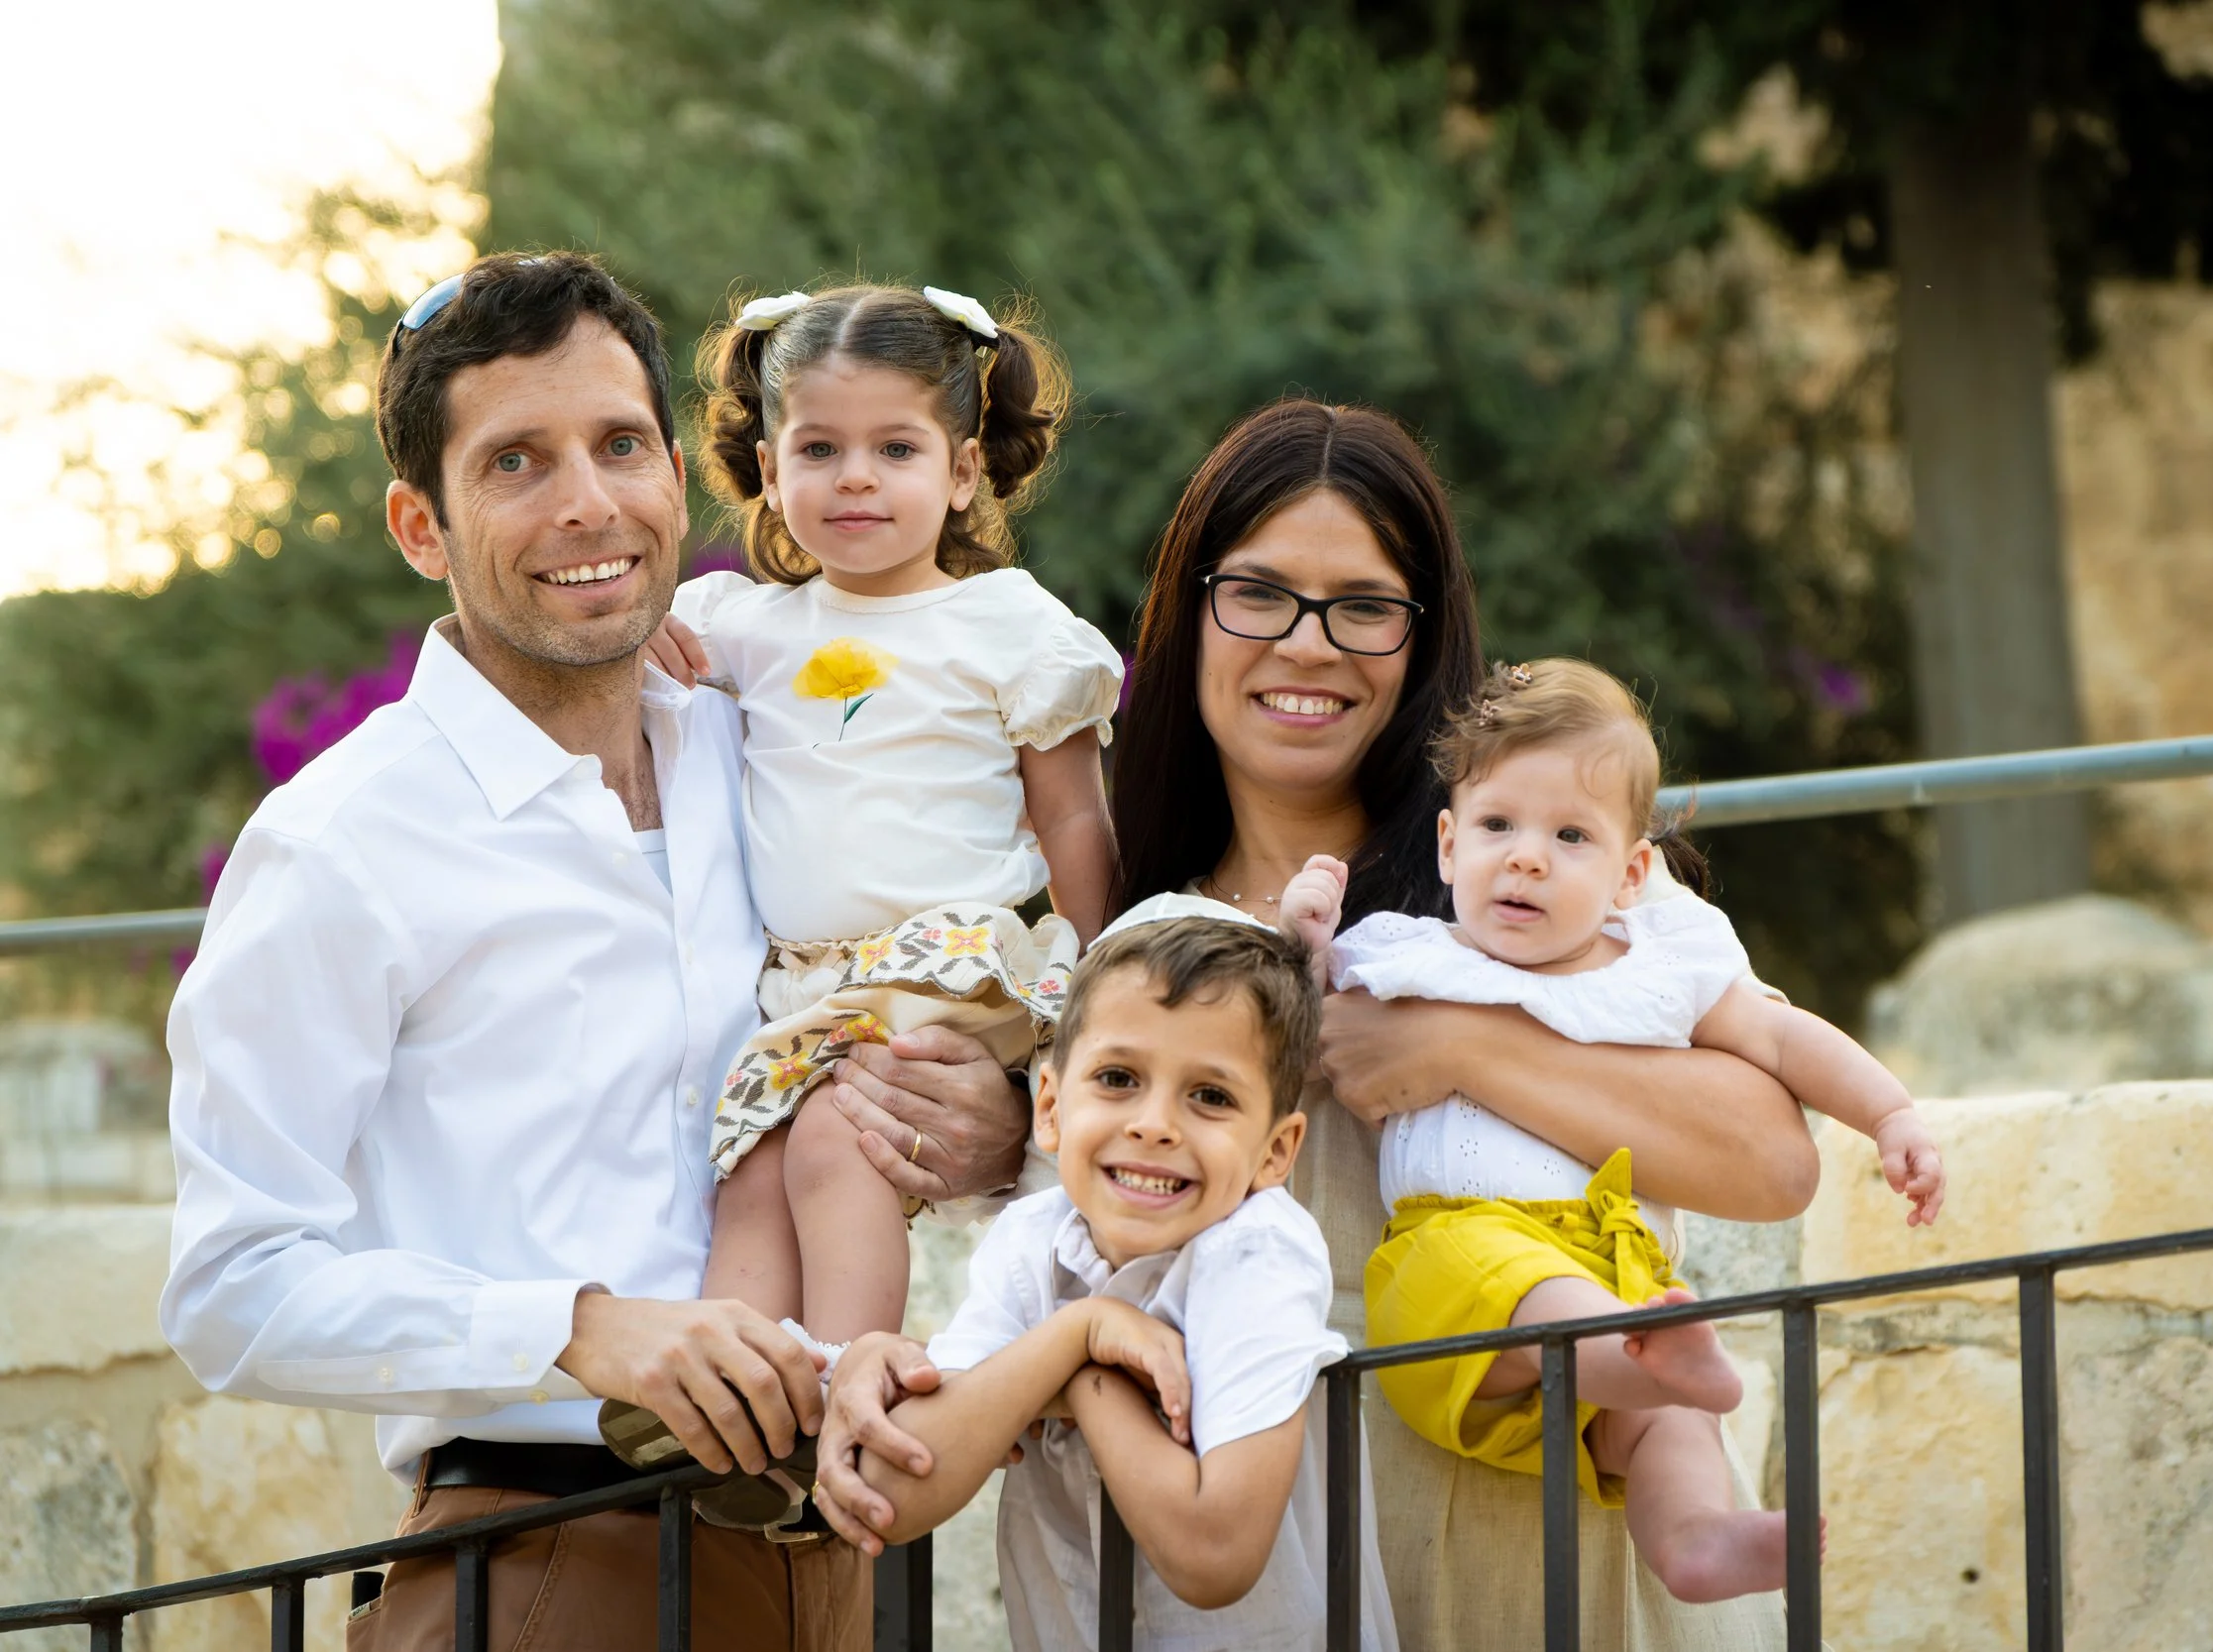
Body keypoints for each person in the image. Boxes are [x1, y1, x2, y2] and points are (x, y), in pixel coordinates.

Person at [817, 398, 1819, 1651]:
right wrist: (1012, 1130)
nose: (1308, 644)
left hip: (1512, 1546)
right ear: (1189, 615)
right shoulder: (1123, 930)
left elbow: (1771, 1160)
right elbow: (1062, 1245)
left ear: (1423, 635)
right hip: (1233, 1580)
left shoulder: (1546, 879)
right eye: (1258, 594)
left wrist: (1460, 1046)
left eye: (1363, 606)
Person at [157, 252, 872, 1650]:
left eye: (619, 445)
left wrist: (970, 1117)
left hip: (826, 1551)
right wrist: (581, 1326)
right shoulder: (338, 840)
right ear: (420, 526)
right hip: (543, 1560)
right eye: (515, 462)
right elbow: (228, 1288)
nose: (587, 503)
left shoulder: (761, 752)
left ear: (677, 472)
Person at [1282, 658, 1944, 1603]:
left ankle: (1696, 1537)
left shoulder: (1658, 968)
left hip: (1617, 1263)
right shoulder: (1406, 954)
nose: (1527, 857)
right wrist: (1306, 939)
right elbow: (1300, 1035)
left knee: (1671, 1425)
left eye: (1570, 836)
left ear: (1631, 872)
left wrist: (1888, 1112)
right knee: (1527, 1285)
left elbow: (1780, 1036)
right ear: (1448, 845)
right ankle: (1631, 1352)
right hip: (1451, 1261)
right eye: (1498, 825)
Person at [615, 283, 1118, 1499]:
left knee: (842, 1142)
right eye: (818, 450)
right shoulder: (740, 626)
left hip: (951, 962)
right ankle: (736, 1401)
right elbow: (621, 648)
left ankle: (851, 1385)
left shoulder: (1005, 623)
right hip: (812, 986)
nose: (854, 478)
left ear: (961, 471)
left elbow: (1071, 814)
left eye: (895, 449)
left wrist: (1101, 976)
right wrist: (639, 638)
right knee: (752, 1162)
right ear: (768, 468)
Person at [857, 910, 1397, 1650]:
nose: (1154, 1124)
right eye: (1117, 1078)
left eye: (1211, 1095)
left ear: (1276, 1151)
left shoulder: (1258, 1253)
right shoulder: (1032, 1238)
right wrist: (1085, 1329)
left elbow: (1214, 1554)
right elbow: (891, 1490)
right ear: (1051, 1107)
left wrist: (1081, 1375)